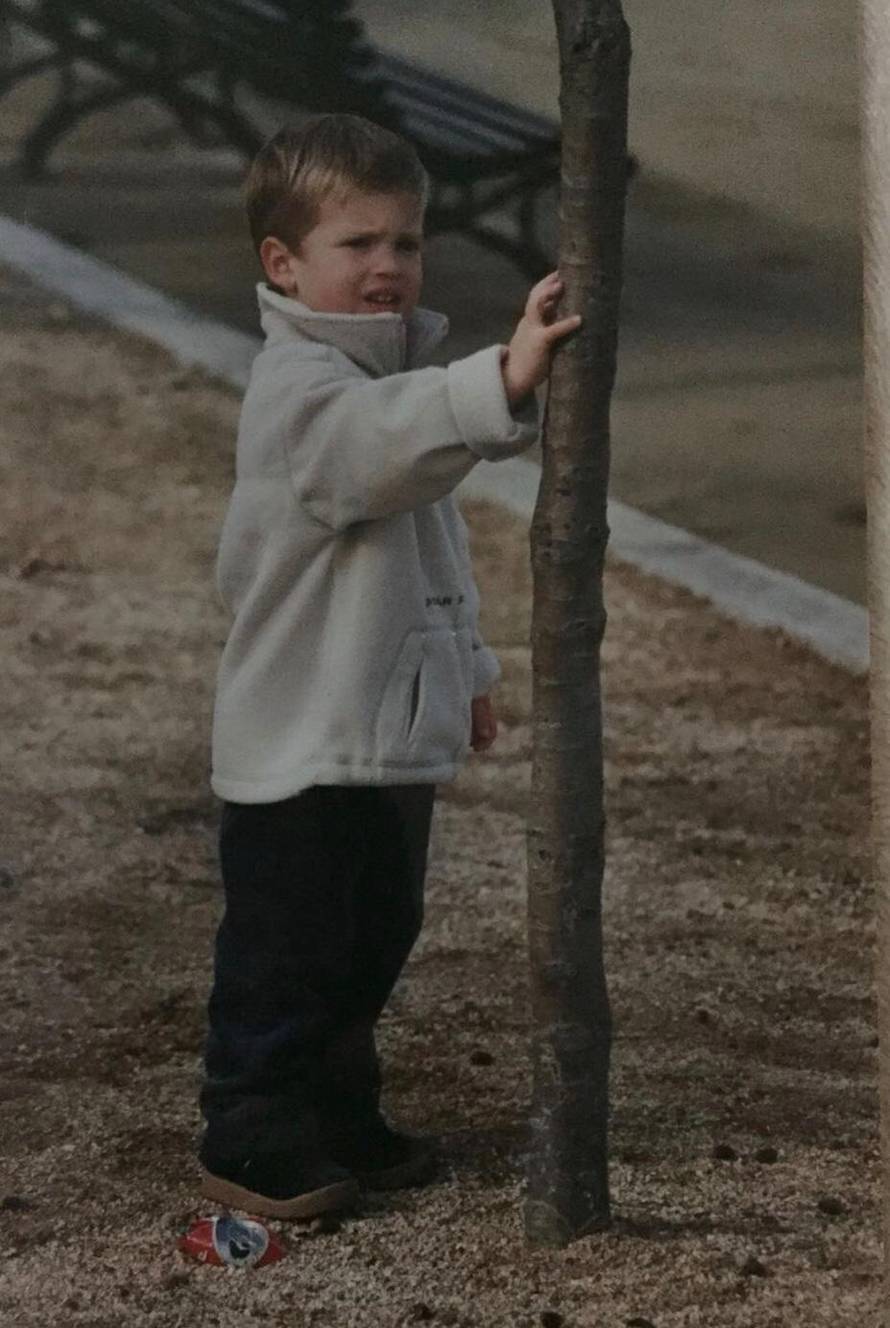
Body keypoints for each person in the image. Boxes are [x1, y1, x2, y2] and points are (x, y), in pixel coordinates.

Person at [198, 113, 581, 1220]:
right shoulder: (299, 387)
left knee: (373, 932)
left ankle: (335, 1106)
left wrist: (463, 666)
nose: (388, 266)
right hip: (301, 740)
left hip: (378, 730)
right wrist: (496, 379)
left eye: (406, 243)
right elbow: (367, 451)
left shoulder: (386, 370)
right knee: (286, 949)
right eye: (356, 243)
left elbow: (431, 552)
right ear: (284, 264)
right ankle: (253, 1125)